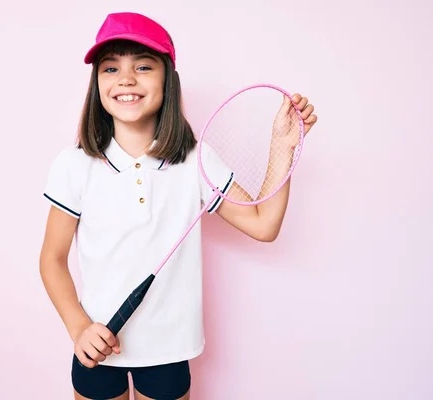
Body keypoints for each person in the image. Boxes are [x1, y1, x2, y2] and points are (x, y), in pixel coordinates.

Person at [39, 11, 318, 400]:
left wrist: (283, 148)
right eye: (110, 68)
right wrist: (78, 327)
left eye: (143, 66)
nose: (125, 79)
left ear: (168, 79)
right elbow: (52, 259)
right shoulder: (75, 164)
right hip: (97, 347)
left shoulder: (196, 160)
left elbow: (263, 224)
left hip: (169, 351)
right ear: (96, 83)